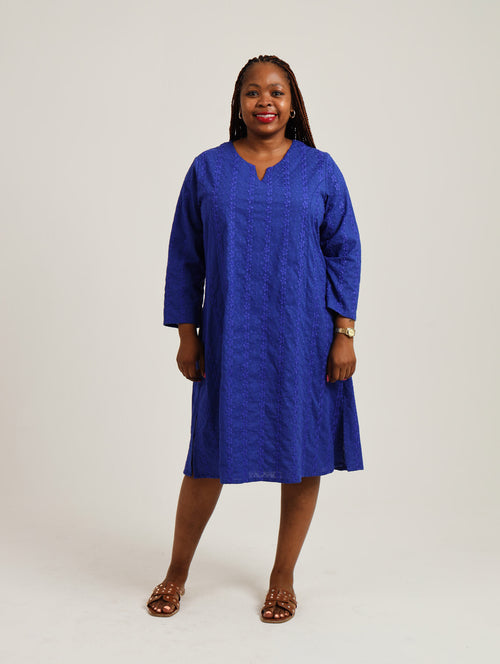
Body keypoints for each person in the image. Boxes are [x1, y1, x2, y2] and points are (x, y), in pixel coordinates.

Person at [147, 54, 363, 623]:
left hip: (304, 339)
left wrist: (343, 332)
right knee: (208, 455)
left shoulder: (319, 170)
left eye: (276, 91)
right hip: (229, 337)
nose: (264, 101)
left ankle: (282, 577)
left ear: (293, 104)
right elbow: (185, 256)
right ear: (238, 102)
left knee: (304, 451)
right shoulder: (208, 170)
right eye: (252, 91)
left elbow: (344, 251)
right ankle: (176, 573)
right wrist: (187, 334)